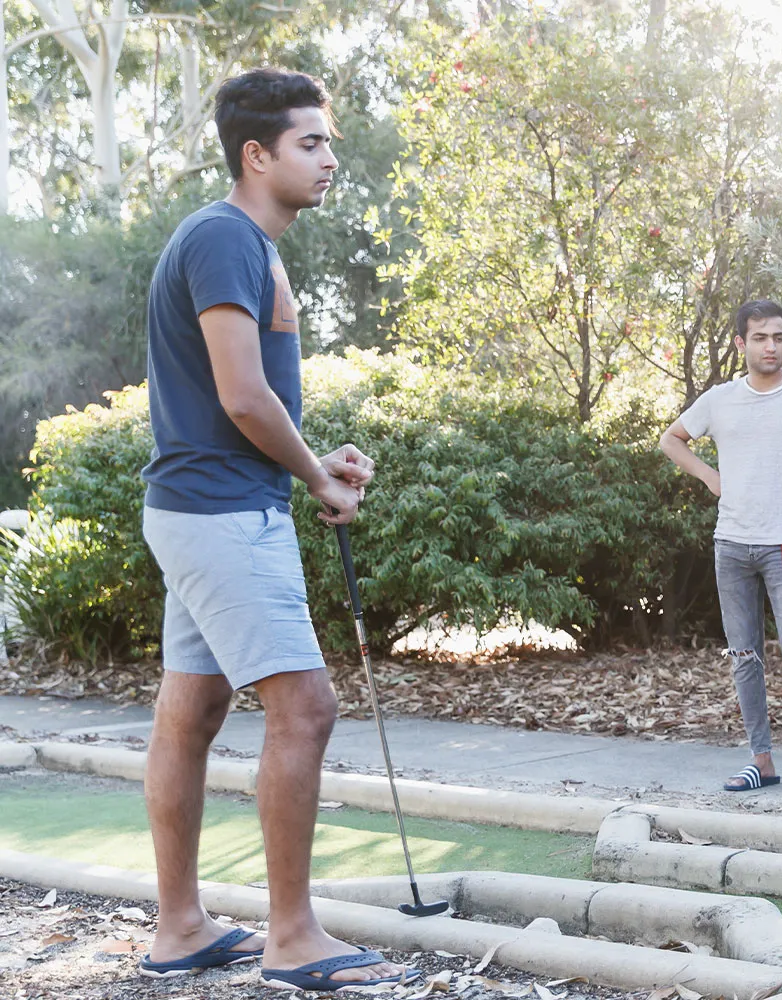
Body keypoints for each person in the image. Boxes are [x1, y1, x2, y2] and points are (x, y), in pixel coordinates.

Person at [136, 69, 412, 991]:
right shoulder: (226, 237)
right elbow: (244, 397)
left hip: (206, 503)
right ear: (257, 155)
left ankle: (181, 929)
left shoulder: (241, 243)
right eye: (311, 143)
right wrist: (316, 479)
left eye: (329, 143)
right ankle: (293, 938)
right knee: (307, 708)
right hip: (221, 512)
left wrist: (310, 461)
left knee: (194, 713)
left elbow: (246, 406)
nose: (330, 159)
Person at [660, 300, 782, 800]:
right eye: (760, 338)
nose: (771, 347)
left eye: (778, 337)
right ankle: (761, 761)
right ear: (741, 343)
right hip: (732, 546)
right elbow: (671, 439)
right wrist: (710, 477)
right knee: (744, 657)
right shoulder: (721, 399)